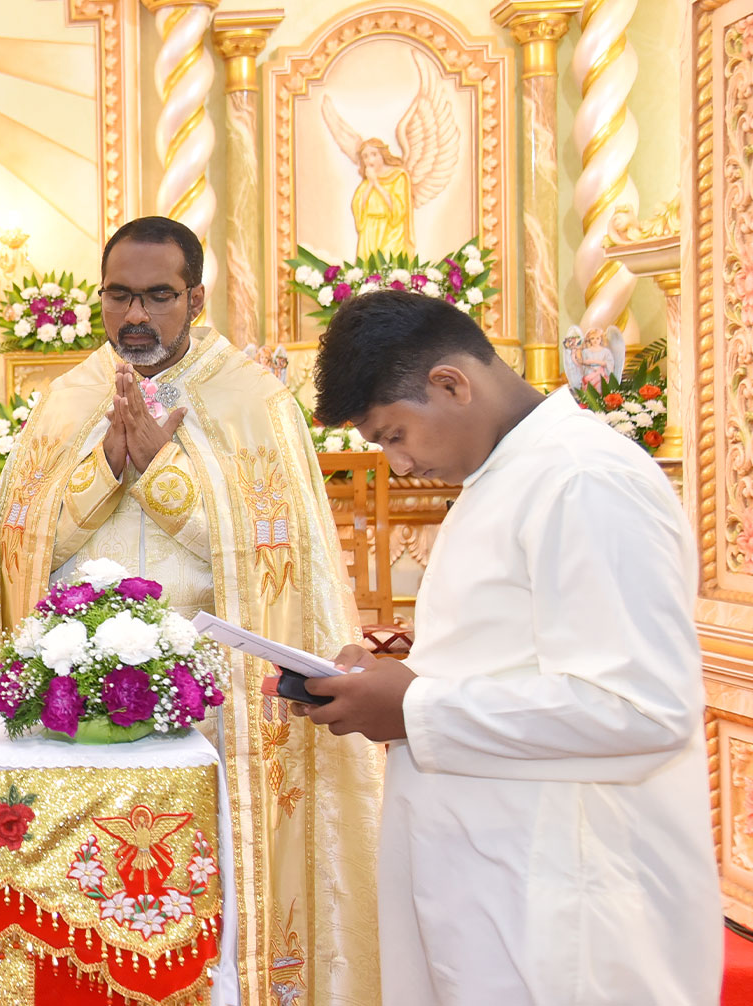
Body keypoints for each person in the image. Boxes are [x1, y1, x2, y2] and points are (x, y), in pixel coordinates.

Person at [0, 215, 383, 1003]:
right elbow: (24, 542)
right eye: (119, 296)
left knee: (213, 898)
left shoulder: (252, 400)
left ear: (195, 299)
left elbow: (274, 550)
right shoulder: (70, 399)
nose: (135, 315)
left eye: (158, 296)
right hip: (81, 693)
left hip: (217, 705)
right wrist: (106, 466)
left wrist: (162, 475)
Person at [305, 290, 718, 1006]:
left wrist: (415, 707)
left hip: (569, 901)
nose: (398, 464)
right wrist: (397, 678)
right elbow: (511, 655)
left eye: (394, 434)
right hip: (502, 878)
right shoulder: (508, 475)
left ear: (451, 384)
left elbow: (643, 707)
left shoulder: (584, 479)